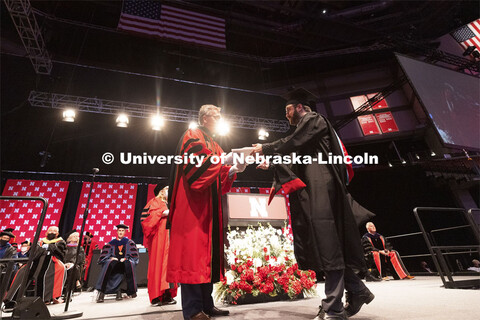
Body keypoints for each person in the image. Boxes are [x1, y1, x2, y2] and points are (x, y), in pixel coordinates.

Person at [252, 88, 373, 320]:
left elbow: (296, 141)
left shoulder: (314, 120)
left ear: (300, 107)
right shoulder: (304, 132)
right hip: (314, 186)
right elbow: (296, 157)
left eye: (287, 110)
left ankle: (333, 307)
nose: (286, 116)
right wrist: (273, 165)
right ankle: (357, 291)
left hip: (323, 186)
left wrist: (266, 148)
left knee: (328, 242)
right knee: (325, 243)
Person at [167, 104, 245, 320]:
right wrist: (223, 161)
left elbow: (217, 178)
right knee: (193, 257)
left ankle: (207, 305)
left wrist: (231, 170)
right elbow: (197, 170)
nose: (220, 119)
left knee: (205, 258)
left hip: (208, 210)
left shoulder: (215, 144)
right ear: (204, 119)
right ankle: (192, 310)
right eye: (216, 116)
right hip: (192, 207)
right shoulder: (192, 135)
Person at [141, 184, 178, 306]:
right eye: (167, 189)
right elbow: (146, 219)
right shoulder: (154, 201)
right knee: (157, 266)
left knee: (169, 267)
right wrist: (162, 213)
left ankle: (167, 295)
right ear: (161, 191)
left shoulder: (169, 203)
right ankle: (156, 296)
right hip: (158, 240)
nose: (169, 191)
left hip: (170, 240)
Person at [95, 224, 139, 303]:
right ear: (117, 231)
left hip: (124, 262)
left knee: (128, 263)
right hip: (114, 262)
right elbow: (105, 255)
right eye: (119, 230)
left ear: (125, 232)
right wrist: (111, 258)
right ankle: (102, 291)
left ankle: (130, 290)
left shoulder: (130, 242)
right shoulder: (111, 243)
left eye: (122, 231)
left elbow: (133, 256)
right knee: (109, 263)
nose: (121, 232)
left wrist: (126, 258)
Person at [37, 226, 67, 304]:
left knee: (60, 269)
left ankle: (54, 297)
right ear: (46, 232)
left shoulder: (60, 242)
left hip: (54, 261)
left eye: (54, 231)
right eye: (50, 230)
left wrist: (50, 247)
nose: (52, 232)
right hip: (40, 261)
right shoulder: (40, 241)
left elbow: (60, 252)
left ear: (57, 234)